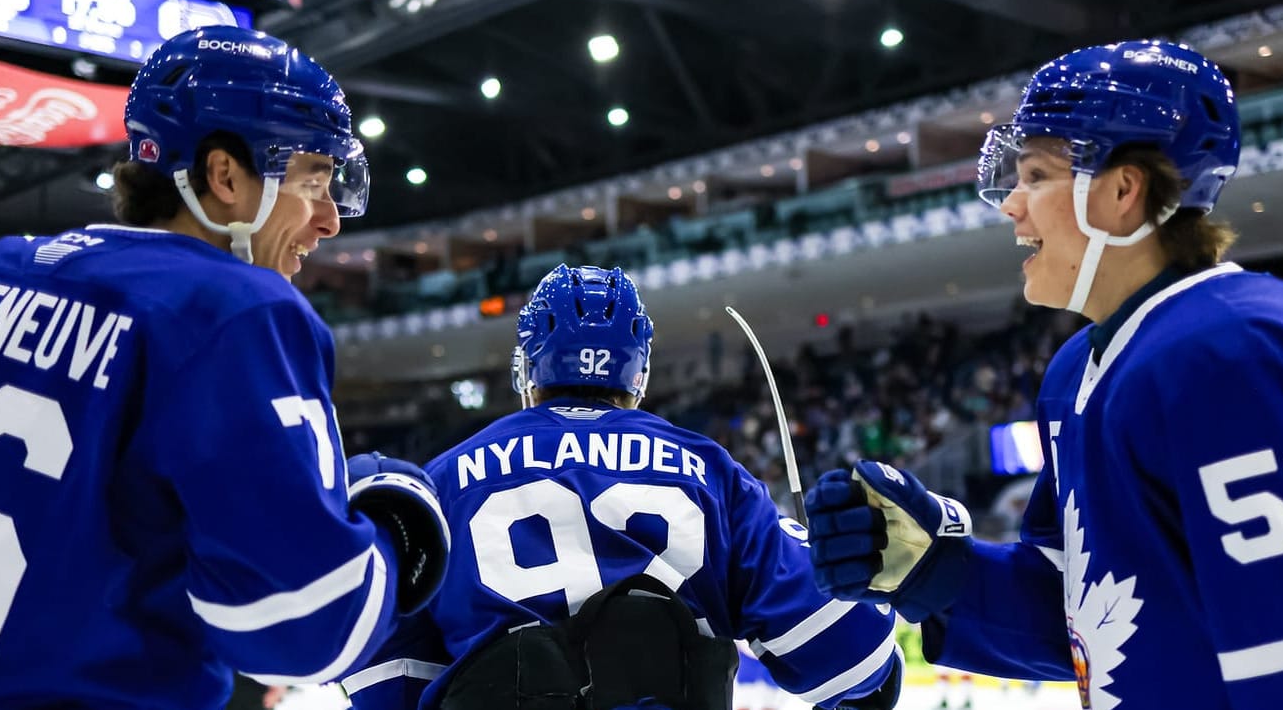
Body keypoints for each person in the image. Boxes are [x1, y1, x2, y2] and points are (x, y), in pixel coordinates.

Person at [804, 39, 1283, 708]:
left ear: (1123, 190)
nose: (1011, 204)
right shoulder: (1077, 371)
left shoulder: (1233, 350)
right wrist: (939, 571)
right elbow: (1098, 613)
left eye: (1035, 176)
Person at [0, 26, 448, 709]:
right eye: (313, 182)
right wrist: (389, 511)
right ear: (225, 175)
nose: (328, 221)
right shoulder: (237, 309)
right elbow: (302, 629)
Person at [340, 264, 902, 710]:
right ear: (639, 372)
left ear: (528, 367)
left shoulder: (445, 478)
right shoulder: (710, 470)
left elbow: (390, 679)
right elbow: (851, 661)